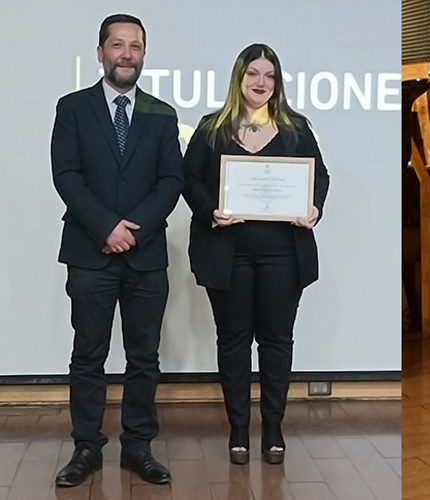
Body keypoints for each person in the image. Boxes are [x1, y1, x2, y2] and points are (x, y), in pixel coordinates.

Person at [182, 43, 330, 465]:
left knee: (277, 342)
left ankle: (273, 427)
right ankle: (238, 430)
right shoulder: (212, 128)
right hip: (227, 254)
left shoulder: (296, 128)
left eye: (269, 75)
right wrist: (210, 209)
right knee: (232, 342)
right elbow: (188, 180)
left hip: (283, 254)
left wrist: (314, 208)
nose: (261, 83)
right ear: (239, 78)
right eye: (253, 74)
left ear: (277, 82)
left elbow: (320, 177)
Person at [50, 14, 182, 487]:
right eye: (118, 45)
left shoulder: (162, 114)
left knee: (144, 356)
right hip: (90, 252)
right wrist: (107, 227)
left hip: (145, 256)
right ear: (100, 51)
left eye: (136, 47)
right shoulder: (72, 108)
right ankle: (86, 447)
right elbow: (66, 175)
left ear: (144, 54)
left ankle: (138, 447)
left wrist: (135, 230)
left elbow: (172, 180)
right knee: (88, 354)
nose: (127, 54)